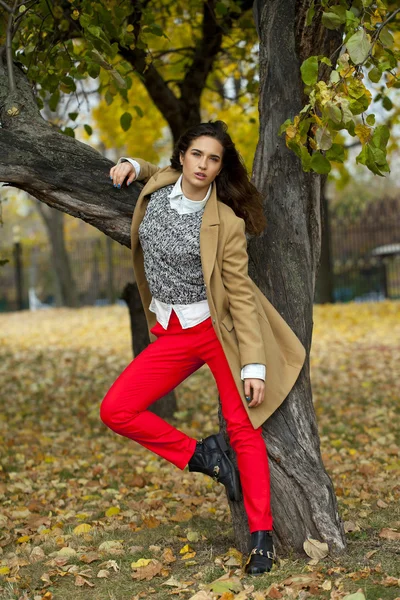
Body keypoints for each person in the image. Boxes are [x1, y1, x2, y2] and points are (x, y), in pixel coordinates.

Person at [100, 120, 306, 576]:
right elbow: (154, 167)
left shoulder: (226, 222)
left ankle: (261, 539)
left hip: (216, 333)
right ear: (182, 156)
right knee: (116, 409)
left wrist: (253, 365)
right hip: (172, 333)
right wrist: (132, 163)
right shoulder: (159, 184)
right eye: (197, 154)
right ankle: (203, 457)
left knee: (243, 429)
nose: (203, 165)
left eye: (213, 159)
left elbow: (239, 293)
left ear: (220, 168)